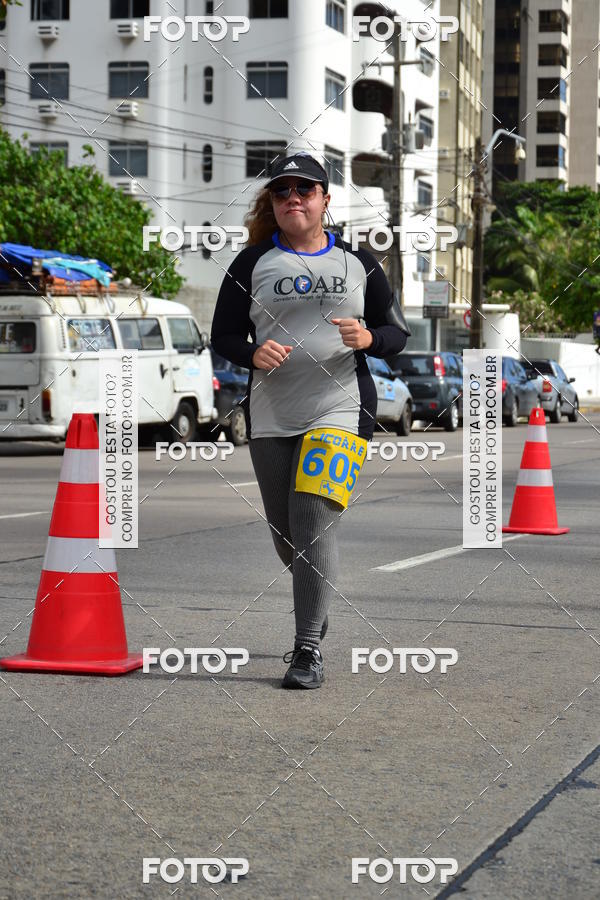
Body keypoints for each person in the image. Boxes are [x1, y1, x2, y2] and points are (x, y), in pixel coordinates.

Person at [211, 152, 410, 689]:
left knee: (312, 516)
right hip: (273, 414)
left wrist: (370, 338)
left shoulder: (358, 262)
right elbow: (223, 336)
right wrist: (251, 353)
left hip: (341, 408)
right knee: (287, 537)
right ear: (272, 203)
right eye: (282, 192)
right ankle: (316, 606)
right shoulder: (250, 263)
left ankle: (306, 650)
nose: (293, 198)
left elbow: (397, 334)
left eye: (305, 189)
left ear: (325, 199)